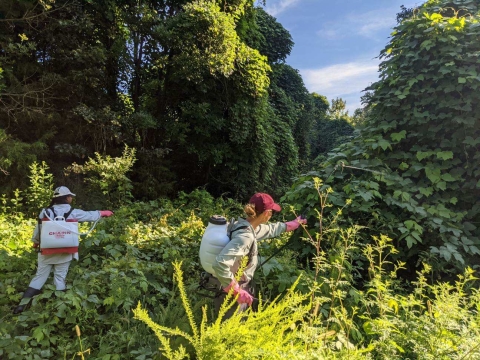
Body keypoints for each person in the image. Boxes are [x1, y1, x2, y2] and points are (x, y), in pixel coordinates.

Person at [13, 186, 113, 314]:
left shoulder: (45, 212)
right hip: (65, 250)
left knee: (39, 277)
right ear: (66, 198)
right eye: (70, 196)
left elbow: (38, 229)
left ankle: (21, 307)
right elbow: (89, 215)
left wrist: (35, 243)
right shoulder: (73, 212)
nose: (71, 198)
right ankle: (59, 308)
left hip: (47, 251)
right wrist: (103, 213)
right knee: (60, 278)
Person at [211, 192, 306, 318]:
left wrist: (294, 223)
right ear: (267, 213)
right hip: (233, 289)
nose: (271, 215)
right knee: (230, 330)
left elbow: (271, 229)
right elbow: (219, 264)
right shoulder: (245, 237)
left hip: (236, 285)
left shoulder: (246, 226)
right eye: (271, 212)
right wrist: (236, 291)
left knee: (238, 328)